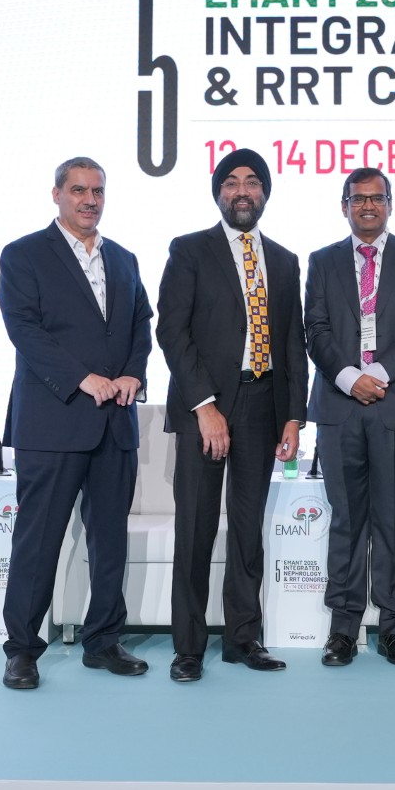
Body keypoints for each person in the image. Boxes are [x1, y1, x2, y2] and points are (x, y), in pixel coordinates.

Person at [0, 157, 154, 690]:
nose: (90, 200)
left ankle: (103, 641)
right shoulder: (23, 254)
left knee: (110, 541)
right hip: (53, 421)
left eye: (98, 191)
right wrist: (82, 378)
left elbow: (141, 324)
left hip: (115, 423)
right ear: (57, 194)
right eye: (79, 190)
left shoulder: (124, 259)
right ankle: (22, 650)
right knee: (38, 542)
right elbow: (24, 329)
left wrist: (133, 373)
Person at [157, 148, 306, 682]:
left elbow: (292, 343)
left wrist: (293, 417)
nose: (242, 191)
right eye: (232, 183)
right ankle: (188, 648)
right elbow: (172, 332)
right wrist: (205, 406)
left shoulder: (285, 261)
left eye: (252, 182)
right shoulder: (189, 250)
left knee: (247, 532)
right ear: (218, 192)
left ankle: (243, 639)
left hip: (263, 406)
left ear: (265, 192)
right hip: (207, 410)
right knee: (196, 530)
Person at [304, 167, 395, 668]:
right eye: (358, 198)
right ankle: (343, 628)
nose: (367, 206)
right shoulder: (322, 261)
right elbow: (315, 327)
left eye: (377, 198)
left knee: (389, 518)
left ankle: (392, 627)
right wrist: (348, 377)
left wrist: (377, 373)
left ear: (390, 205)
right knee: (345, 519)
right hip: (340, 406)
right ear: (344, 206)